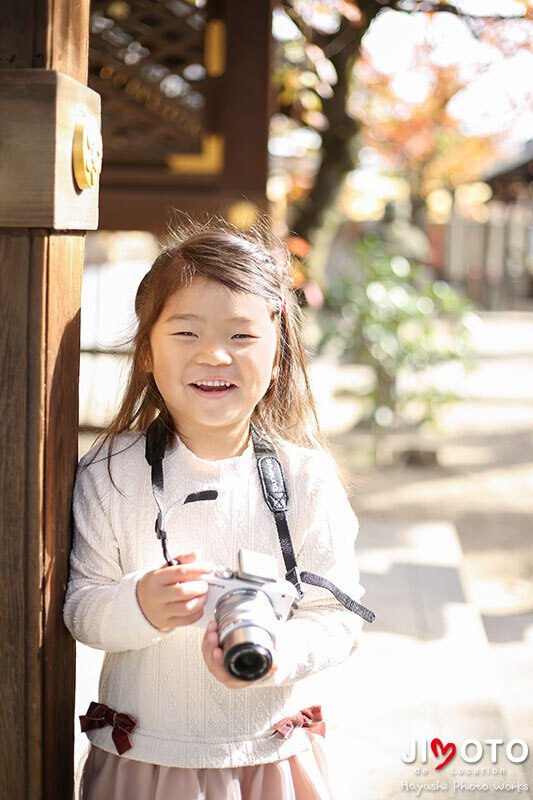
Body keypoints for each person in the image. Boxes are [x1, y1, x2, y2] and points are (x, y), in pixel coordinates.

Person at [64, 215, 371, 800]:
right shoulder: (110, 473)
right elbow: (80, 607)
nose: (214, 355)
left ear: (279, 354)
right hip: (140, 759)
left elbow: (339, 616)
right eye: (185, 334)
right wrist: (140, 604)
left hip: (271, 757)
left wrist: (281, 651)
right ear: (147, 351)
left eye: (241, 336)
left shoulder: (306, 477)